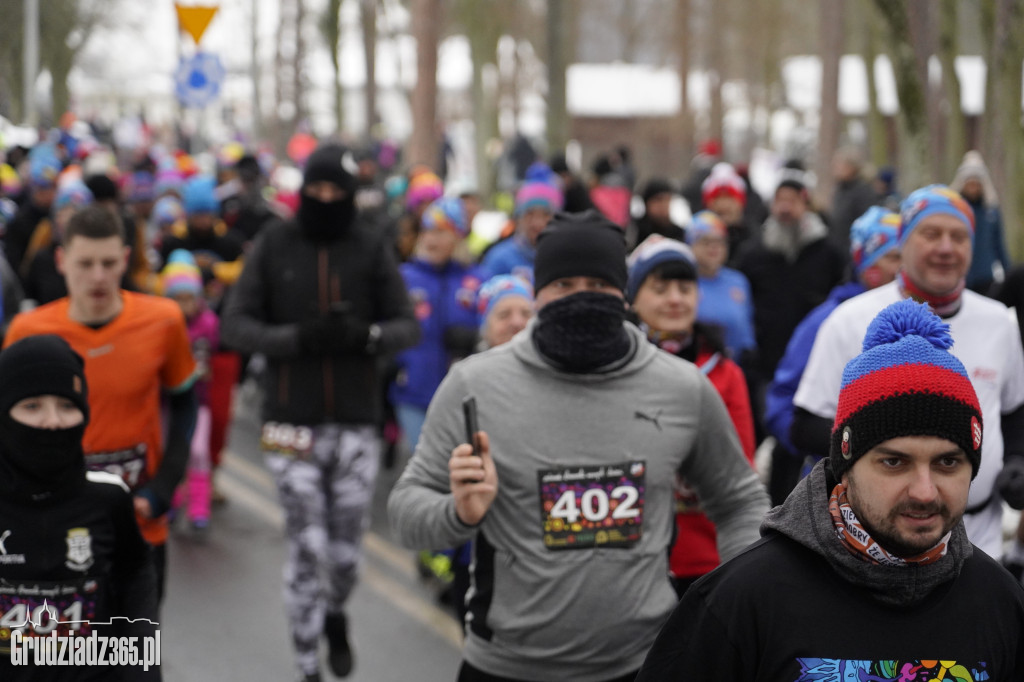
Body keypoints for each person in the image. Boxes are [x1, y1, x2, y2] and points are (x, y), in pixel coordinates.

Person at [388, 209, 769, 682]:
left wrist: (738, 599)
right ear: (537, 293)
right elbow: (405, 513)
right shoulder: (475, 384)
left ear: (623, 294)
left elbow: (739, 499)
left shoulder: (680, 387)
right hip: (506, 667)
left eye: (598, 284)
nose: (580, 297)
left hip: (642, 664)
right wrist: (459, 513)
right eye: (563, 285)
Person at [635, 299, 1024, 681]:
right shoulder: (742, 601)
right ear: (846, 466)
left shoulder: (999, 601)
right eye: (894, 462)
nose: (925, 492)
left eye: (947, 463)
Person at [220, 143, 420, 682]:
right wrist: (295, 339)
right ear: (303, 191)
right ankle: (307, 661)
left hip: (356, 420)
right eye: (317, 190)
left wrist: (364, 336)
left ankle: (334, 612)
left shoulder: (370, 245)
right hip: (289, 421)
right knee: (308, 547)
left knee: (346, 554)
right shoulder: (274, 242)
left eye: (336, 191)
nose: (326, 199)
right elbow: (235, 324)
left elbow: (407, 325)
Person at [792, 185, 1024, 559]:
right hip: (873, 545)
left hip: (981, 541)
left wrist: (1016, 459)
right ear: (902, 240)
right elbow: (804, 424)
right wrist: (886, 446)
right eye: (931, 233)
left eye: (959, 236)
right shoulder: (849, 319)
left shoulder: (999, 321)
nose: (946, 248)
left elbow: (1013, 410)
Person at [4, 205, 198, 606]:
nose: (97, 276)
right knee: (53, 641)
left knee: (131, 636)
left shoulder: (163, 320)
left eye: (108, 263)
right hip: (56, 523)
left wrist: (163, 489)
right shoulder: (30, 331)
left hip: (138, 518)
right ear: (61, 260)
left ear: (126, 259)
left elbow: (185, 405)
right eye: (85, 263)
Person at [0, 335, 161, 681]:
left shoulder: (107, 496)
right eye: (32, 406)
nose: (52, 422)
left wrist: (142, 665)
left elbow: (135, 573)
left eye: (67, 406)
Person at [626, 235, 756, 597]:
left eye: (685, 288)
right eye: (660, 288)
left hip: (707, 558)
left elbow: (739, 469)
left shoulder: (725, 372)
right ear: (632, 299)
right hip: (633, 558)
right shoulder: (617, 371)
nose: (675, 299)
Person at [766, 206, 901, 487]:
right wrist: (835, 446)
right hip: (834, 482)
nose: (903, 267)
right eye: (892, 257)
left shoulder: (920, 317)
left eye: (906, 256)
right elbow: (781, 402)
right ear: (867, 263)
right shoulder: (830, 319)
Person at [737, 174, 846, 453]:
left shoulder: (828, 252)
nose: (785, 208)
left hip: (815, 361)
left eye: (792, 200)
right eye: (780, 200)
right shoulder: (754, 253)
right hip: (768, 362)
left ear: (805, 205)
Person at [391, 197, 483, 455]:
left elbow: (491, 332)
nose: (431, 239)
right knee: (423, 462)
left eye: (440, 232)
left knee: (457, 465)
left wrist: (473, 338)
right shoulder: (404, 277)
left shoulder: (477, 279)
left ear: (458, 236)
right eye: (427, 230)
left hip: (462, 395)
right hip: (413, 390)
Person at [162, 250, 219, 533]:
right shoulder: (164, 323)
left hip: (199, 399)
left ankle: (199, 508)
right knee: (171, 451)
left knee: (198, 452)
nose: (185, 305)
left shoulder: (208, 323)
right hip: (169, 400)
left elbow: (212, 355)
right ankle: (170, 500)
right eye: (178, 298)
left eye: (190, 298)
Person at [687, 210, 756, 361]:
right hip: (696, 365)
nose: (714, 247)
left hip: (735, 366)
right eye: (706, 241)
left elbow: (747, 327)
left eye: (719, 242)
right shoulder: (684, 283)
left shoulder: (738, 281)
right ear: (691, 245)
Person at [950, 150, 1011, 295]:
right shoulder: (954, 210)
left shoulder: (990, 212)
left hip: (984, 277)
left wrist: (1008, 273)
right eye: (970, 184)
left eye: (977, 184)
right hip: (959, 275)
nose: (973, 188)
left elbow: (998, 244)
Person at [478, 180, 562, 283]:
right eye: (529, 214)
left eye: (546, 214)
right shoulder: (500, 258)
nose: (537, 222)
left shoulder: (564, 256)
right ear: (518, 219)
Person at [828, 146, 880, 252]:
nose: (835, 167)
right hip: (839, 250)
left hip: (855, 250)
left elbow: (868, 222)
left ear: (851, 167)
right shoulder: (840, 190)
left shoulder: (863, 191)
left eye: (839, 164)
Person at [625, 178, 685, 252]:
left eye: (667, 200)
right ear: (647, 203)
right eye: (659, 200)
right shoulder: (634, 232)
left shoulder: (678, 233)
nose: (664, 205)